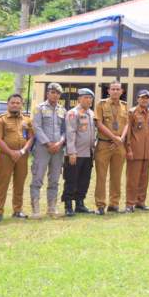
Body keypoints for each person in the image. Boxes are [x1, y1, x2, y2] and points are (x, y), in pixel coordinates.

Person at [0, 93, 34, 221]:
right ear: (8, 104)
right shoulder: (0, 119)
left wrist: (21, 152)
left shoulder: (27, 120)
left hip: (22, 156)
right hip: (6, 156)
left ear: (22, 104)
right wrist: (11, 153)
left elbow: (31, 137)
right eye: (13, 102)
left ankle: (17, 210)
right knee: (3, 183)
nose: (15, 105)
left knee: (19, 184)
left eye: (18, 103)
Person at [30, 83, 67, 219]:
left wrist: (60, 142)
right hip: (42, 148)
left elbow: (65, 130)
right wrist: (48, 143)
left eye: (57, 93)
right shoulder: (39, 108)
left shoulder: (63, 110)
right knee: (37, 178)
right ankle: (35, 208)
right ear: (47, 94)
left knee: (54, 179)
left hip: (58, 149)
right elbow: (36, 127)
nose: (55, 95)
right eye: (52, 92)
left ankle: (52, 207)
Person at [94, 81, 128, 214]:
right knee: (101, 176)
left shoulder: (124, 106)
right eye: (112, 89)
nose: (115, 91)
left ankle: (114, 204)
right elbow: (99, 124)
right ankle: (100, 205)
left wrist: (121, 139)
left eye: (117, 89)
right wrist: (114, 138)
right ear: (108, 91)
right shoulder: (101, 104)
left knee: (116, 176)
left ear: (121, 91)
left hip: (119, 146)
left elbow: (127, 124)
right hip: (104, 144)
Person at [62, 88, 96, 217]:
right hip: (76, 153)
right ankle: (68, 205)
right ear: (79, 99)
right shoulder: (73, 113)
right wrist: (71, 152)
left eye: (90, 98)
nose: (89, 100)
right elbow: (70, 133)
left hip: (88, 153)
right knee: (71, 179)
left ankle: (80, 204)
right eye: (86, 97)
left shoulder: (92, 114)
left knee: (84, 180)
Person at [123, 89, 149, 213]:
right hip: (135, 151)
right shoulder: (132, 112)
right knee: (132, 179)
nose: (144, 100)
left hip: (146, 152)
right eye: (142, 98)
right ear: (137, 99)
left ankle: (140, 201)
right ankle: (130, 203)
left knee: (144, 179)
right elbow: (128, 133)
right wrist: (128, 149)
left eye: (147, 98)